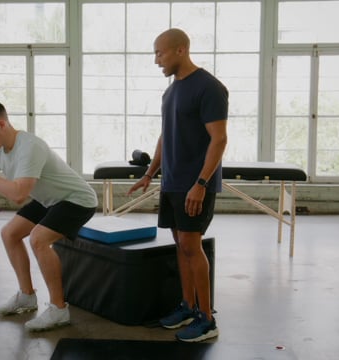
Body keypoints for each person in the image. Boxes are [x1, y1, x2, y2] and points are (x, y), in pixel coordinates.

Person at [0, 100, 98, 332]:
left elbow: (19, 194)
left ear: (2, 124)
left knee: (38, 239)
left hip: (77, 200)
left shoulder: (30, 147)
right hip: (49, 199)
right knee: (9, 234)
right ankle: (27, 296)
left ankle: (59, 309)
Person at [129, 28, 228, 342]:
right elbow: (165, 135)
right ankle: (187, 306)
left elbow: (219, 139)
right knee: (180, 247)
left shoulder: (210, 88)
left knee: (191, 245)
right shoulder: (171, 91)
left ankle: (207, 319)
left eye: (160, 53)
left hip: (194, 184)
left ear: (180, 50)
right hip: (172, 182)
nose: (156, 60)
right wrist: (150, 173)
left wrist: (201, 183)